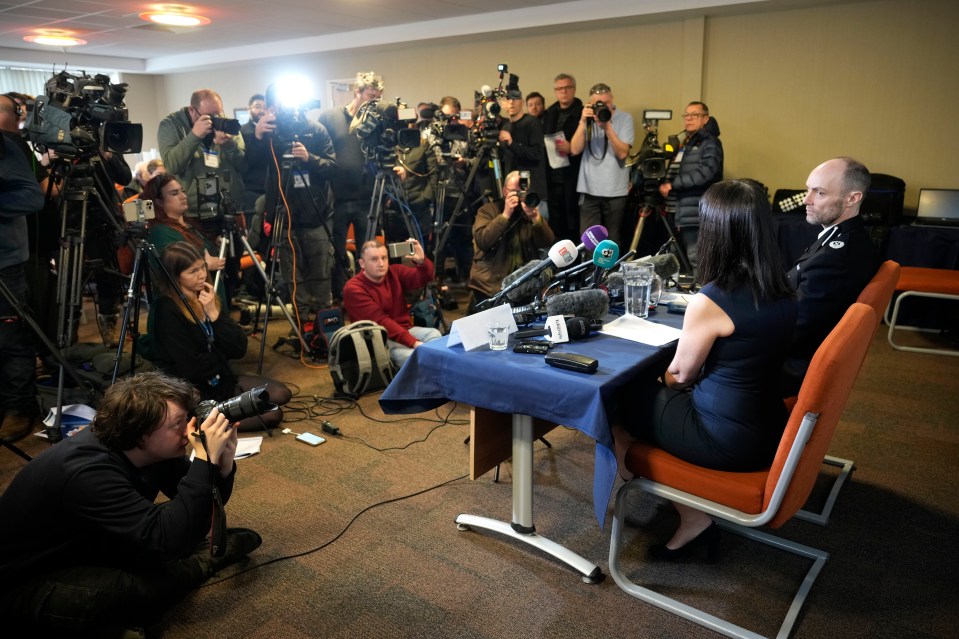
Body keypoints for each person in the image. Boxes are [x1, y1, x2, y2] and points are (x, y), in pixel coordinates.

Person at [612, 180, 797, 561]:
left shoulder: (714, 299)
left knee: (614, 397)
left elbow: (680, 376)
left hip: (723, 439)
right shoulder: (784, 287)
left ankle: (687, 512)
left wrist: (658, 379)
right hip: (771, 429)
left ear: (716, 234)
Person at [0, 371, 263, 636]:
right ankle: (200, 564)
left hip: (85, 542)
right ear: (140, 432)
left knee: (173, 520)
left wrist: (222, 466)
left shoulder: (151, 447)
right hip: (26, 580)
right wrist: (204, 460)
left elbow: (197, 496)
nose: (190, 429)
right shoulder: (88, 473)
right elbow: (170, 537)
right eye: (179, 423)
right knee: (134, 591)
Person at [148, 242, 291, 431]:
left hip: (221, 380)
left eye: (202, 267)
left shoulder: (205, 296)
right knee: (273, 414)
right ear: (175, 277)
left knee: (281, 393)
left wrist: (214, 315)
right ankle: (201, 423)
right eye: (192, 271)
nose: (201, 275)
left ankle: (225, 411)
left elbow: (239, 348)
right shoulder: (167, 309)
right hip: (197, 393)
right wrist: (221, 354)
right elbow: (192, 369)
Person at [781, 157, 879, 395]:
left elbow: (794, 329)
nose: (806, 200)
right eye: (808, 189)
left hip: (786, 369)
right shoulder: (842, 237)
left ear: (852, 198)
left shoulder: (836, 257)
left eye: (820, 193)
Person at [248, 84, 337, 319]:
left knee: (321, 277)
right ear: (270, 107)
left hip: (316, 216)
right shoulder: (267, 133)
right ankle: (302, 329)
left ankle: (325, 327)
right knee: (294, 280)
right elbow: (249, 169)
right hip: (284, 218)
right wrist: (258, 137)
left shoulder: (316, 130)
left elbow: (333, 168)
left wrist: (310, 158)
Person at [319, 71, 383, 300]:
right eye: (370, 95)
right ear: (357, 92)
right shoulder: (330, 117)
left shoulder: (376, 123)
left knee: (368, 251)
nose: (374, 101)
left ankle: (368, 295)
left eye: (378, 97)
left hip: (366, 198)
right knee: (336, 251)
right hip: (336, 198)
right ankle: (340, 295)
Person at [0, 132, 43, 443]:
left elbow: (32, 197)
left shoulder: (6, 147)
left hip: (6, 265)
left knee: (12, 340)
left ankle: (18, 409)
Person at [343, 240, 440, 368]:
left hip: (403, 330)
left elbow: (424, 278)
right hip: (378, 340)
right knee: (414, 357)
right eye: (374, 259)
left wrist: (422, 262)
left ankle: (432, 368)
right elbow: (381, 321)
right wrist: (414, 343)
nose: (381, 264)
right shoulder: (353, 288)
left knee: (434, 334)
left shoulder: (394, 272)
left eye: (384, 258)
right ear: (362, 263)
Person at [467, 170, 556, 313]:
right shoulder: (488, 210)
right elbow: (483, 240)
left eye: (523, 191)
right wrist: (505, 215)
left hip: (522, 284)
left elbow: (547, 242)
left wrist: (536, 219)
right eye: (515, 191)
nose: (520, 195)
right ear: (504, 191)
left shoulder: (527, 212)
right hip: (490, 284)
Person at [158, 88, 246, 222]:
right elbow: (172, 166)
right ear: (192, 110)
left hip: (231, 209)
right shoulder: (171, 125)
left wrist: (229, 145)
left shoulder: (227, 124)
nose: (215, 120)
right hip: (195, 212)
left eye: (218, 113)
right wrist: (194, 135)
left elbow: (244, 165)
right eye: (209, 116)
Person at [659, 101, 724, 278]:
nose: (689, 119)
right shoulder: (687, 142)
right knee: (672, 258)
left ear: (706, 118)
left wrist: (673, 184)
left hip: (696, 211)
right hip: (679, 209)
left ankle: (701, 299)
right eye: (686, 115)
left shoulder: (710, 143)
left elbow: (707, 172)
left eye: (694, 115)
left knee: (696, 257)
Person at [570, 82, 634, 247]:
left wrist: (607, 127)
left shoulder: (624, 118)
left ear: (612, 99)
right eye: (598, 103)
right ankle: (590, 273)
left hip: (615, 190)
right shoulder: (587, 119)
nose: (602, 106)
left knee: (612, 240)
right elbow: (574, 149)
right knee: (589, 241)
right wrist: (583, 121)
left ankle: (611, 273)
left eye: (606, 102)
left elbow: (622, 153)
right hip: (589, 190)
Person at [543, 73, 584, 243]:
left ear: (574, 89)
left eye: (567, 88)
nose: (563, 92)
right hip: (552, 175)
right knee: (555, 223)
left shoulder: (582, 112)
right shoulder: (550, 112)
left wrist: (572, 148)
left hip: (575, 174)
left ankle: (575, 263)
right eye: (559, 89)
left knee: (573, 222)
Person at [499, 84, 549, 220]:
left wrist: (512, 143)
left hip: (534, 194)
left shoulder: (532, 123)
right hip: (513, 196)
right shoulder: (506, 127)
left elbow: (536, 154)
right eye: (507, 99)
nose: (511, 102)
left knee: (540, 236)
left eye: (515, 99)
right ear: (502, 104)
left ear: (522, 102)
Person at [240, 92, 268, 217]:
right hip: (252, 190)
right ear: (249, 109)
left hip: (275, 188)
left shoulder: (275, 131)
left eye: (265, 107)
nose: (262, 110)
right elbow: (243, 161)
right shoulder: (241, 132)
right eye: (257, 106)